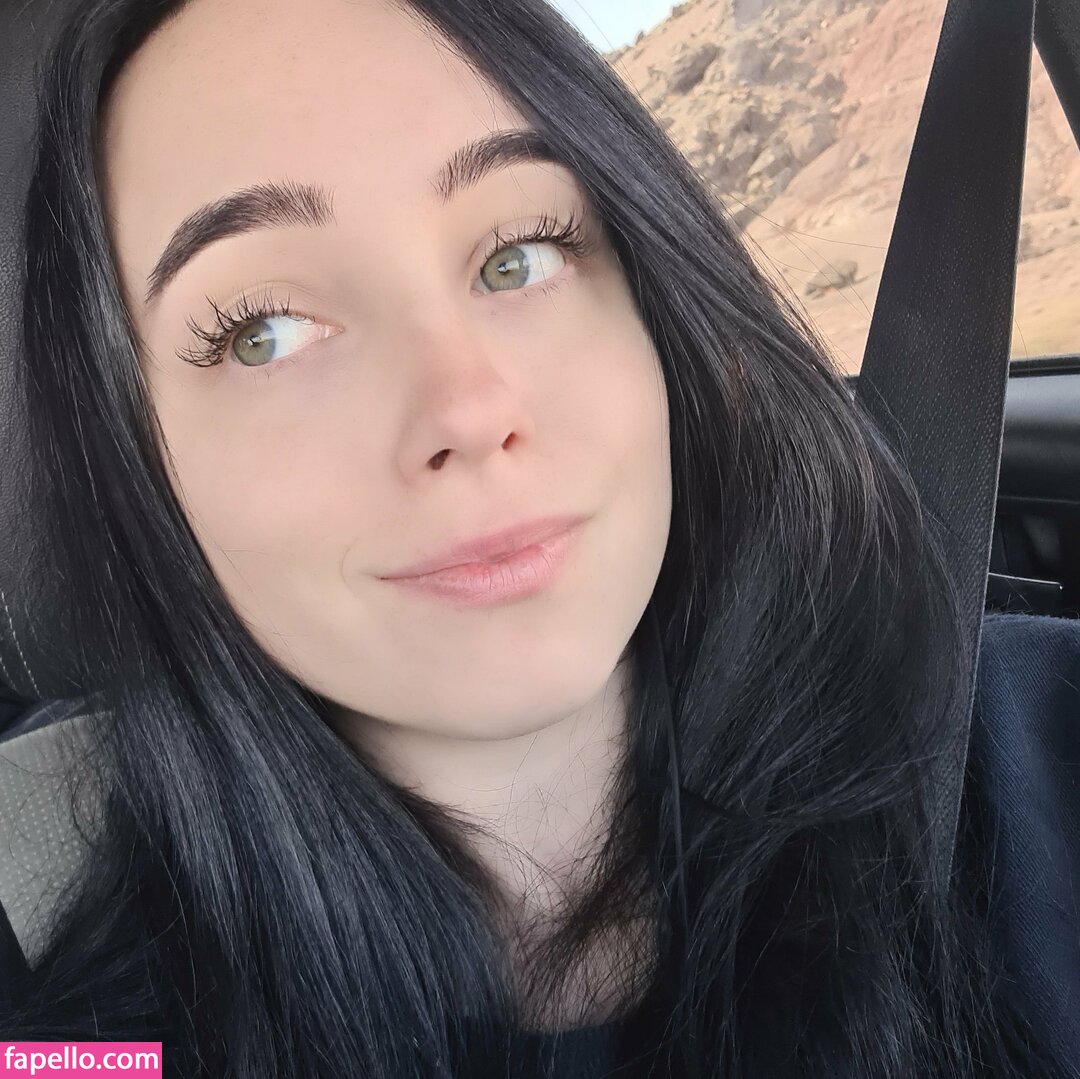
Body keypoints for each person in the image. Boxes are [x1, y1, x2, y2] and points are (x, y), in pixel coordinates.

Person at [2, 0, 1078, 1074]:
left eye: (518, 257)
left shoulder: (1044, 747)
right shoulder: (86, 1047)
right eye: (263, 332)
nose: (468, 409)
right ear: (130, 470)